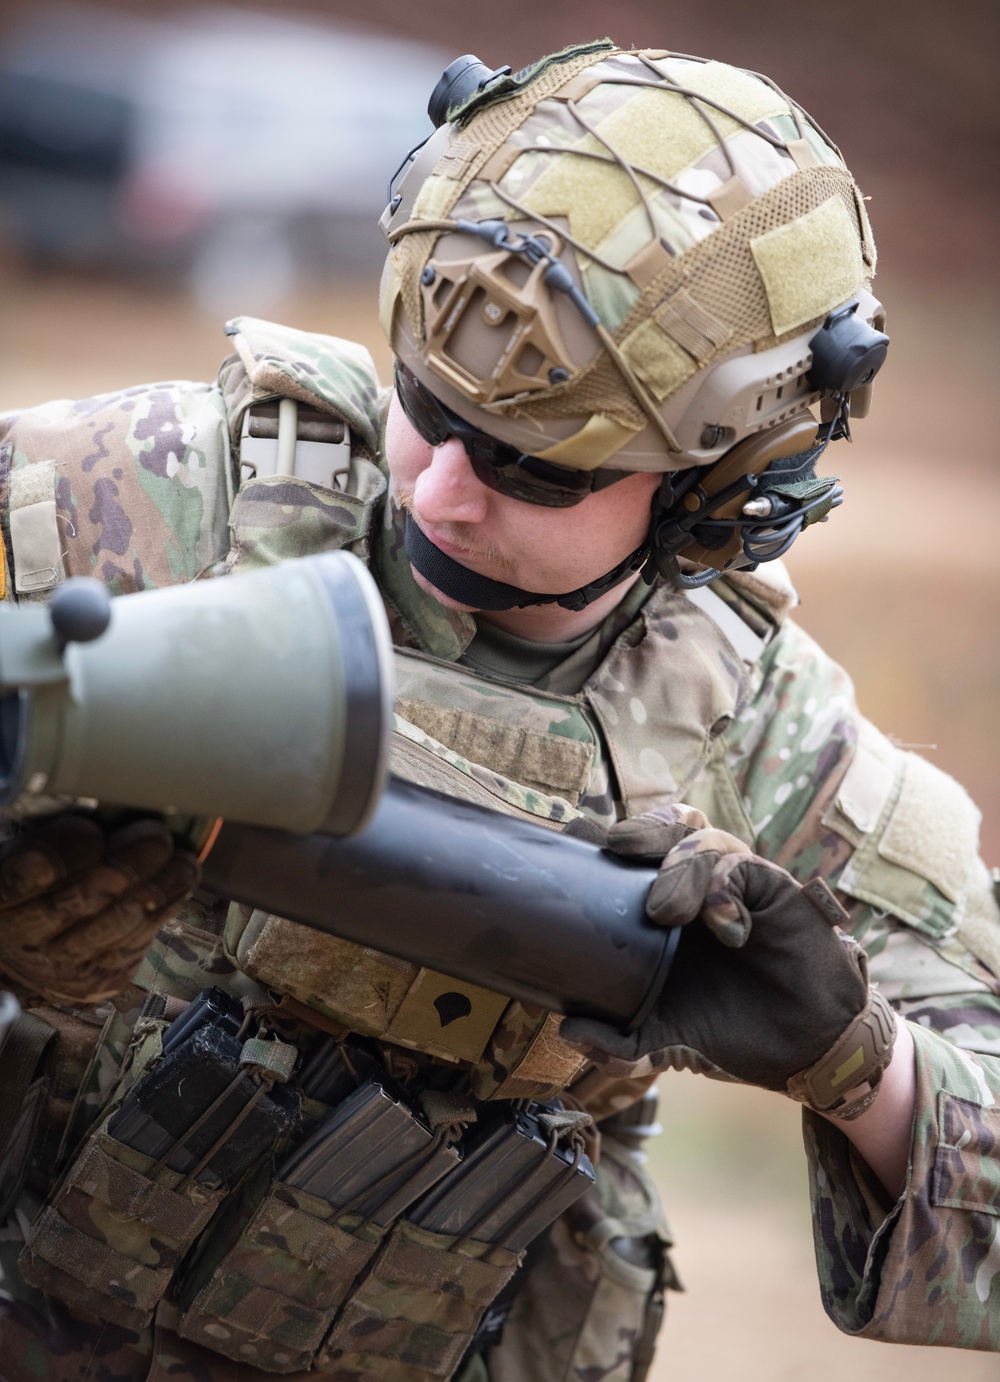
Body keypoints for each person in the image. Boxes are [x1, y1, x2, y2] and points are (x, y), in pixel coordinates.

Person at [0, 41, 997, 1380]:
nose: (439, 494)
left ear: (721, 483)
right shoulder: (138, 500)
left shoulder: (768, 743)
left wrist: (851, 1057)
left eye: (535, 468)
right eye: (427, 407)